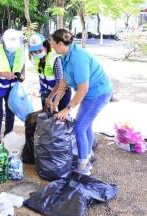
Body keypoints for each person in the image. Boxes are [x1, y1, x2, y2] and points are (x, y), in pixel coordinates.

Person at [50, 28, 113, 175]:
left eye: (53, 42)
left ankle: (83, 166)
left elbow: (83, 89)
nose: (51, 45)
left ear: (60, 44)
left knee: (79, 127)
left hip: (99, 93)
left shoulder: (78, 58)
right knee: (86, 125)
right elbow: (64, 82)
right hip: (89, 94)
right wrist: (55, 100)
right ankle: (88, 156)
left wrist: (67, 109)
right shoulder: (65, 57)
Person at [0, 29, 25, 143]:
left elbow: (22, 64)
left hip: (13, 87)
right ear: (4, 41)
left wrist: (23, 75)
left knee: (11, 113)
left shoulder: (20, 49)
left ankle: (8, 139)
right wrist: (2, 74)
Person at [28, 33, 71, 111]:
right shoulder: (35, 58)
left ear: (45, 46)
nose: (37, 53)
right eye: (34, 51)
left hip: (61, 91)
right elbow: (41, 75)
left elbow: (60, 82)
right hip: (46, 92)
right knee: (46, 117)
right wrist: (43, 93)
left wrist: (50, 97)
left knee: (62, 117)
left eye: (39, 50)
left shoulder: (54, 58)